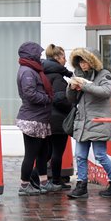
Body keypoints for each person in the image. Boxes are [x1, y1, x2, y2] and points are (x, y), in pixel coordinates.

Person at [66, 48, 111, 199]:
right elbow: (70, 98)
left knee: (100, 155)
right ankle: (81, 185)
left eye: (85, 61)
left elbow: (106, 91)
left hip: (98, 121)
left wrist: (84, 86)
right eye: (80, 62)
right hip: (82, 121)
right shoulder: (78, 74)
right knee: (80, 155)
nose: (82, 65)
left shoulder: (105, 74)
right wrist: (71, 87)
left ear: (92, 61)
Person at [15, 41, 54, 196]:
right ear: (31, 55)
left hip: (40, 118)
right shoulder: (27, 72)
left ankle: (43, 183)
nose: (40, 56)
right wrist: (47, 98)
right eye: (38, 53)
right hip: (32, 119)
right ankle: (24, 186)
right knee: (31, 154)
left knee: (43, 153)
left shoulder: (32, 69)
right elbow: (30, 94)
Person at [38, 44, 73, 191]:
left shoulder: (42, 73)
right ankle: (56, 181)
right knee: (57, 153)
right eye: (64, 57)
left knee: (47, 152)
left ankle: (34, 178)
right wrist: (72, 106)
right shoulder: (58, 77)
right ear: (57, 58)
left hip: (46, 118)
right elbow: (59, 99)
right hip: (58, 120)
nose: (65, 60)